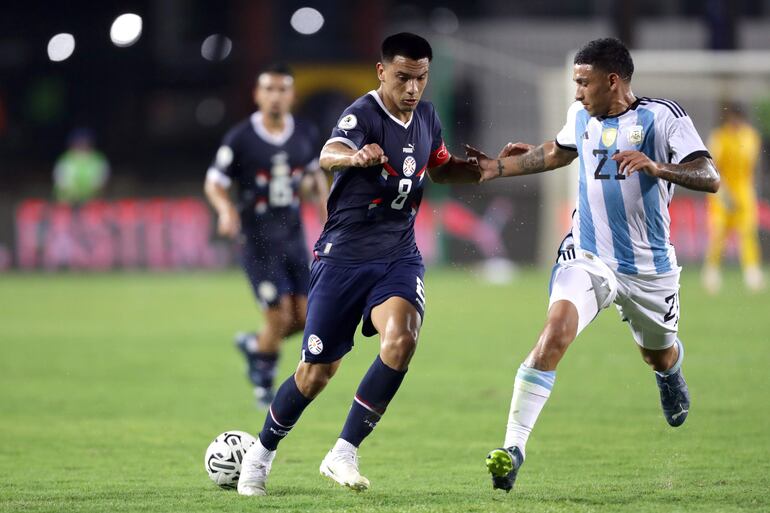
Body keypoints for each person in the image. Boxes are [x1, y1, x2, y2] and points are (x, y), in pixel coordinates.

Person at [466, 37, 720, 493]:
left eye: (584, 83)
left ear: (613, 81)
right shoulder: (581, 116)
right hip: (588, 256)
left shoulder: (665, 117)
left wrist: (658, 167)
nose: (577, 92)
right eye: (575, 83)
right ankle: (513, 449)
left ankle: (670, 370)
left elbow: (709, 175)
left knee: (656, 352)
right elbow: (560, 151)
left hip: (649, 269)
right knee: (553, 335)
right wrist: (497, 169)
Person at [236, 32, 480, 497]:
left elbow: (439, 162)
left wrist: (489, 168)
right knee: (315, 374)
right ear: (382, 71)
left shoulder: (427, 116)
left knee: (402, 338)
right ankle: (262, 453)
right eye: (404, 77)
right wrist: (355, 156)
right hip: (343, 259)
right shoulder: (362, 114)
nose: (413, 89)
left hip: (398, 256)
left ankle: (344, 450)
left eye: (421, 79)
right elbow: (329, 153)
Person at [204, 63, 329, 409]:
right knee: (277, 316)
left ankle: (255, 345)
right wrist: (226, 210)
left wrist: (323, 206)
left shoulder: (304, 133)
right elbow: (214, 181)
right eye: (269, 89)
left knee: (303, 318)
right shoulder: (241, 137)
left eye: (282, 89)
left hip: (292, 235)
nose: (275, 96)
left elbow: (312, 177)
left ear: (292, 95)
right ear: (257, 95)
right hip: (257, 239)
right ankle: (263, 381)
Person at [703, 103, 764, 293]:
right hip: (722, 191)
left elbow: (750, 163)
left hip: (744, 192)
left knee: (747, 232)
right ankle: (711, 272)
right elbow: (712, 166)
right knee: (719, 234)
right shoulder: (719, 138)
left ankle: (752, 272)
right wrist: (723, 192)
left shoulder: (750, 136)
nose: (735, 122)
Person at [53, 128, 110, 204]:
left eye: (84, 143)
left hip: (92, 201)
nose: (82, 146)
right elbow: (61, 183)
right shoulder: (65, 160)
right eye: (78, 143)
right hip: (68, 201)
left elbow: (101, 183)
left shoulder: (98, 159)